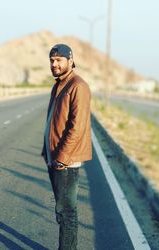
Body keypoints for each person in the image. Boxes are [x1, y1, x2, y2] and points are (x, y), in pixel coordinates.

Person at [41, 44, 92, 250]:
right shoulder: (59, 85)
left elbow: (77, 127)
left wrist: (61, 157)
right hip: (56, 158)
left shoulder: (77, 86)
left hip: (66, 161)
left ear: (70, 61)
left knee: (66, 212)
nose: (54, 64)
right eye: (52, 60)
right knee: (63, 210)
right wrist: (48, 152)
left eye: (59, 60)